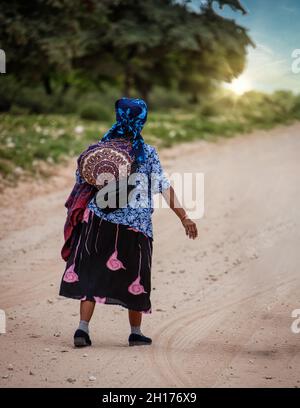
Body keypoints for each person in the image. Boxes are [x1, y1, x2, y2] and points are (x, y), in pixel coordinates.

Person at [59, 97, 198, 347]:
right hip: (135, 226)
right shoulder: (146, 153)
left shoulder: (99, 149)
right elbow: (164, 188)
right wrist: (184, 217)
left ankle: (82, 329)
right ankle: (135, 333)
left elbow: (81, 178)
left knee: (91, 273)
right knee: (136, 276)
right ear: (141, 120)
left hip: (97, 221)